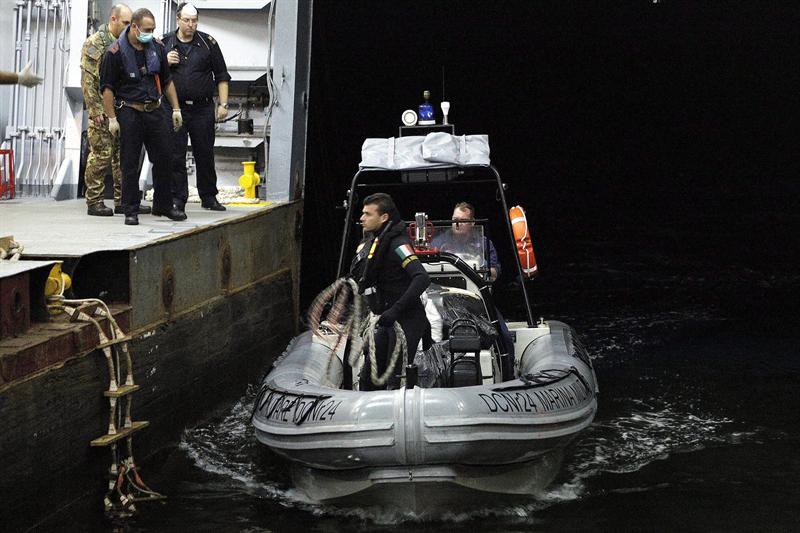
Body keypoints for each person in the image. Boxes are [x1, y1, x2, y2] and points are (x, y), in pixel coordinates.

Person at [100, 8, 185, 226]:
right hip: (130, 111)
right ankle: (130, 208)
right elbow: (107, 89)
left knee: (165, 157)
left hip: (154, 110)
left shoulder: (157, 47)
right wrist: (112, 118)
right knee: (129, 163)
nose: (151, 33)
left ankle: (163, 205)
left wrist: (175, 109)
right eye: (147, 29)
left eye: (153, 29)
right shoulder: (115, 53)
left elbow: (166, 81)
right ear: (134, 27)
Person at [350, 193, 431, 390]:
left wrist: (396, 310)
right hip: (385, 320)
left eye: (368, 214)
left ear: (384, 217)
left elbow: (422, 278)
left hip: (406, 320)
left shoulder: (398, 244)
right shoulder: (375, 243)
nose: (362, 218)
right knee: (370, 377)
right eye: (363, 214)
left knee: (396, 379)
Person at [81, 4, 152, 217]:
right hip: (102, 111)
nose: (129, 27)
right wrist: (96, 111)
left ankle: (124, 200)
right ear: (113, 19)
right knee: (101, 155)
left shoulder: (128, 44)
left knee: (124, 157)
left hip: (123, 110)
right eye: (125, 23)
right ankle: (94, 201)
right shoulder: (95, 43)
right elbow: (89, 81)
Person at [162, 2, 230, 212]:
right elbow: (152, 73)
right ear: (178, 20)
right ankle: (177, 198)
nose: (191, 25)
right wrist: (165, 61)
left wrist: (223, 104)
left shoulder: (208, 43)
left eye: (194, 21)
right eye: (187, 20)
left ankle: (209, 196)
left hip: (202, 109)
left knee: (205, 153)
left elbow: (222, 76)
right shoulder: (164, 42)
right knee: (175, 154)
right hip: (175, 108)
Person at [432, 201, 501, 282]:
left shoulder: (484, 243)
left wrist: (481, 265)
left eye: (463, 221)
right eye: (455, 220)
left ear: (472, 223)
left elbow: (494, 271)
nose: (457, 224)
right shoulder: (439, 242)